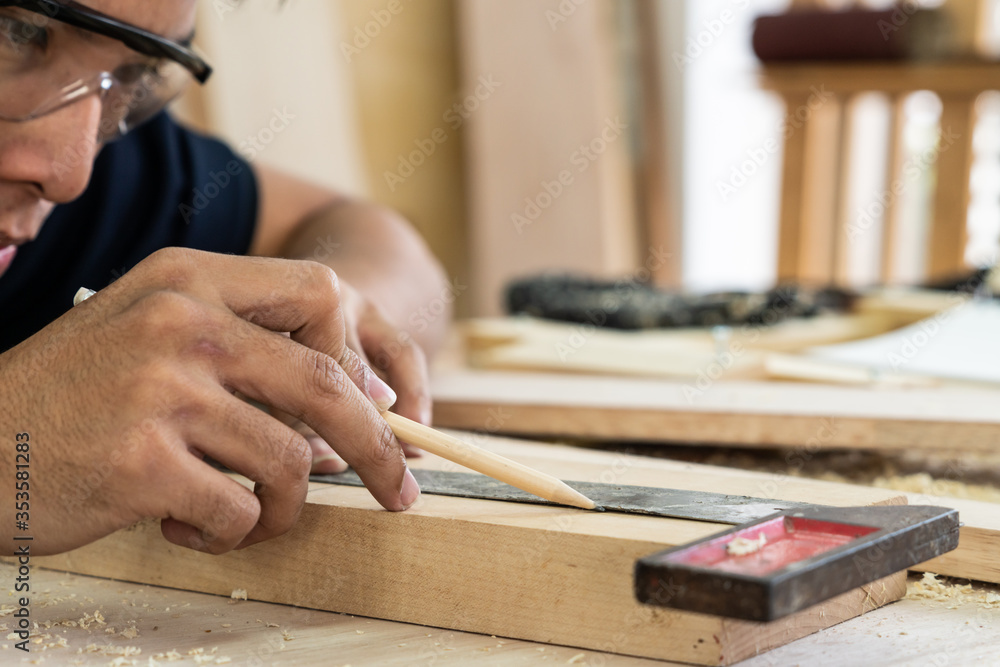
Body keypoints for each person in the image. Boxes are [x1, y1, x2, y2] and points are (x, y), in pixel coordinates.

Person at [0, 0, 451, 556]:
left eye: (133, 76)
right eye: (15, 33)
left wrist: (321, 335)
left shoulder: (121, 173)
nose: (69, 174)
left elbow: (369, 236)